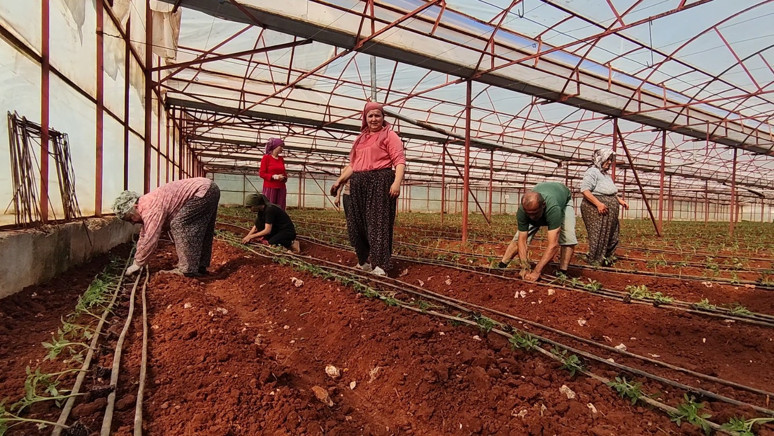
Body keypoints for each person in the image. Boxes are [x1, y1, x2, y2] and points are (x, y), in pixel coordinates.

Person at [329, 102, 406, 277]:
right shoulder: (361, 139)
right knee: (356, 224)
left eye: (377, 115)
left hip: (380, 181)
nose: (374, 119)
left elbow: (399, 161)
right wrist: (339, 182)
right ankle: (364, 261)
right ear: (365, 118)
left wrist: (397, 183)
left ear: (383, 117)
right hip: (358, 183)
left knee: (378, 224)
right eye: (370, 116)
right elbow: (353, 165)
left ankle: (381, 265)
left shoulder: (390, 135)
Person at [112, 177, 220, 277]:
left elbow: (151, 238)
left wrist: (138, 263)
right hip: (209, 189)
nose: (133, 222)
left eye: (131, 218)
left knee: (179, 224)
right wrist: (137, 261)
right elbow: (144, 235)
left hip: (203, 191)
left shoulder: (149, 208)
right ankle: (200, 266)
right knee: (202, 229)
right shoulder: (146, 203)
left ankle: (187, 270)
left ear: (135, 207)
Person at [499, 182, 577, 282]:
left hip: (563, 199)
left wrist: (536, 271)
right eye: (529, 214)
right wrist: (525, 267)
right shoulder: (522, 210)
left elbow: (553, 245)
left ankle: (562, 272)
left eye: (534, 213)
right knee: (517, 237)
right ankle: (502, 264)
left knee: (568, 235)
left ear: (543, 205)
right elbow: (522, 240)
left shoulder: (553, 209)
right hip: (541, 198)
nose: (532, 217)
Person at [580, 148, 629, 266]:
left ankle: (606, 258)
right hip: (596, 208)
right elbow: (585, 190)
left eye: (610, 160)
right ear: (599, 159)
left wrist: (619, 201)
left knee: (612, 234)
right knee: (599, 234)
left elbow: (609, 191)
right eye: (607, 160)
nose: (609, 163)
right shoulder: (592, 172)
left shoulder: (605, 175)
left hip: (608, 208)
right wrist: (598, 204)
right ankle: (595, 260)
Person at [259, 138, 288, 210]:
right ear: (275, 146)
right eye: (280, 146)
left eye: (282, 147)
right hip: (270, 187)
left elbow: (284, 173)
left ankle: (279, 221)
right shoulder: (266, 158)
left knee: (280, 208)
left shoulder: (281, 159)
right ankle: (268, 221)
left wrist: (283, 178)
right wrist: (274, 176)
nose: (282, 148)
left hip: (281, 187)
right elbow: (262, 173)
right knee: (270, 208)